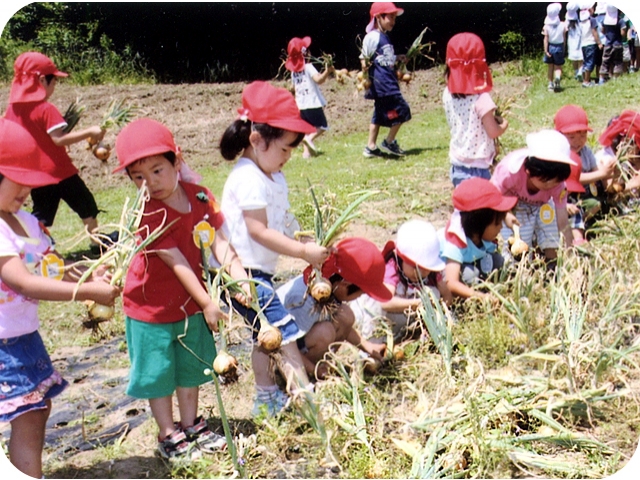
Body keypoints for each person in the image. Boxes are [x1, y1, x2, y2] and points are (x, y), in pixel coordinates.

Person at [113, 118, 251, 459]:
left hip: (189, 306)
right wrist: (207, 301)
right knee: (159, 373)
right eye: (139, 178)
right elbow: (176, 262)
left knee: (191, 368)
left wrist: (238, 276)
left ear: (177, 159)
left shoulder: (201, 196)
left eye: (158, 170)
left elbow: (218, 241)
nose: (151, 183)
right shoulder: (146, 212)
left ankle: (192, 424)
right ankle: (168, 433)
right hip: (151, 309)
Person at [0, 118, 119, 478]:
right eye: (17, 180)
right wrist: (84, 291)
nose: (26, 189)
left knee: (35, 410)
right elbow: (24, 283)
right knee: (28, 411)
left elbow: (50, 269)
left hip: (24, 338)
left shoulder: (27, 222)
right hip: (3, 345)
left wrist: (87, 274)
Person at [219, 81, 330, 416]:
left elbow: (282, 220)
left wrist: (303, 237)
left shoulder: (272, 176)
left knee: (266, 336)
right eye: (284, 149)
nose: (287, 157)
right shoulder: (248, 177)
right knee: (282, 334)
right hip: (244, 276)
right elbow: (259, 231)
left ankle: (268, 397)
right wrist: (302, 254)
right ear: (256, 139)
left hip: (260, 273)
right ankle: (306, 398)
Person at [3, 52, 108, 255]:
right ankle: (97, 243)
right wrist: (91, 131)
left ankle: (30, 245)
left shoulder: (13, 110)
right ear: (42, 80)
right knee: (85, 203)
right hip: (60, 170)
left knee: (41, 213)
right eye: (54, 82)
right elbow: (58, 139)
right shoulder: (45, 108)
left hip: (37, 174)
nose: (54, 88)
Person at [278, 237, 392, 378]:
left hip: (304, 338)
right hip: (282, 351)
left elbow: (344, 325)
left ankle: (321, 366)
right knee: (325, 332)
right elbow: (283, 346)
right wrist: (314, 370)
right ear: (344, 284)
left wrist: (368, 347)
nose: (360, 297)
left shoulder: (330, 288)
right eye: (360, 292)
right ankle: (299, 374)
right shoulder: (303, 300)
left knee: (345, 315)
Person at [350, 220, 451, 343]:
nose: (421, 273)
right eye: (415, 267)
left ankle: (417, 336)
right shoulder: (392, 266)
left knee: (434, 292)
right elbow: (385, 302)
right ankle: (372, 347)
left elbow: (447, 298)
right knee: (375, 304)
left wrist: (438, 303)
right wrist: (417, 304)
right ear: (401, 258)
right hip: (374, 315)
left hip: (407, 316)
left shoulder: (433, 274)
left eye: (426, 269)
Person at [491, 129, 576, 264]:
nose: (549, 186)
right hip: (511, 205)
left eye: (554, 182)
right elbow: (492, 196)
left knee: (551, 233)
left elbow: (562, 222)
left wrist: (571, 254)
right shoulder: (509, 172)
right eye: (544, 181)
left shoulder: (558, 184)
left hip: (542, 204)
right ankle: (518, 271)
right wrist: (505, 213)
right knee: (519, 245)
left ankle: (552, 265)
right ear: (529, 170)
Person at [442, 32, 508, 187]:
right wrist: (503, 124)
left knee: (464, 205)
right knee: (480, 208)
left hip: (457, 163)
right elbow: (493, 131)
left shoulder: (447, 94)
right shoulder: (482, 98)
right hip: (478, 167)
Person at [439, 178, 517, 300]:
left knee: (497, 260)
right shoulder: (456, 241)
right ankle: (470, 295)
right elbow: (451, 283)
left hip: (473, 262)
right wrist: (480, 296)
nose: (501, 227)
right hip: (451, 270)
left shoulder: (483, 235)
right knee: (469, 274)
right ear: (479, 224)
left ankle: (484, 286)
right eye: (497, 224)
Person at [553, 104, 617, 243]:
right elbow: (575, 178)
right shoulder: (560, 155)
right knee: (573, 210)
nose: (578, 141)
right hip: (562, 197)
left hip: (582, 195)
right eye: (572, 137)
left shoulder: (586, 152)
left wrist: (609, 169)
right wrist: (602, 174)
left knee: (594, 204)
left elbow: (596, 170)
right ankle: (576, 236)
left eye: (583, 135)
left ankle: (582, 225)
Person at [360, 2, 411, 158]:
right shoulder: (372, 37)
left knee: (378, 115)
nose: (393, 21)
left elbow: (383, 57)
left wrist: (397, 58)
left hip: (386, 82)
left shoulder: (384, 37)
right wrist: (364, 67)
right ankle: (389, 141)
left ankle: (370, 147)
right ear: (378, 17)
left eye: (395, 18)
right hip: (384, 84)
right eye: (390, 17)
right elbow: (364, 58)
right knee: (403, 110)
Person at [285, 36, 334, 159]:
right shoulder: (308, 67)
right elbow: (319, 80)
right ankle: (309, 138)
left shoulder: (294, 71)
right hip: (312, 103)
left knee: (307, 128)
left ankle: (306, 153)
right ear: (306, 53)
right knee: (322, 126)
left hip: (301, 105)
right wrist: (328, 71)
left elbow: (293, 87)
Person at [595, 110, 640, 196]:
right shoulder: (606, 159)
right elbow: (611, 191)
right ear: (621, 142)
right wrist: (635, 183)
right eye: (635, 145)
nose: (637, 151)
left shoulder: (632, 158)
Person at [598, 4, 627, 84]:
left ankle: (601, 79)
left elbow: (602, 30)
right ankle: (615, 78)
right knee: (617, 61)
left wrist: (608, 35)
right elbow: (623, 33)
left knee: (605, 61)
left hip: (608, 44)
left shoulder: (605, 20)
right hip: (617, 44)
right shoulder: (620, 20)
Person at [542, 3, 566, 92]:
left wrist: (546, 50)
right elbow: (564, 38)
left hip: (550, 46)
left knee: (550, 66)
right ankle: (558, 78)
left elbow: (546, 39)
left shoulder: (546, 26)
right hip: (559, 46)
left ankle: (550, 84)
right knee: (558, 66)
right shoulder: (563, 25)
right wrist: (564, 48)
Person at [579, 3, 603, 87]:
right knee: (590, 63)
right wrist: (599, 43)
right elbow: (594, 32)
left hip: (583, 44)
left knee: (586, 62)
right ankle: (586, 82)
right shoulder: (592, 20)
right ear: (589, 10)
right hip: (591, 44)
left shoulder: (581, 21)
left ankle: (585, 79)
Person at [566, 2, 584, 82]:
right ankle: (580, 71)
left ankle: (576, 73)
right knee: (581, 58)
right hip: (579, 41)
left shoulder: (567, 23)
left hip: (571, 42)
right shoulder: (579, 23)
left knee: (574, 59)